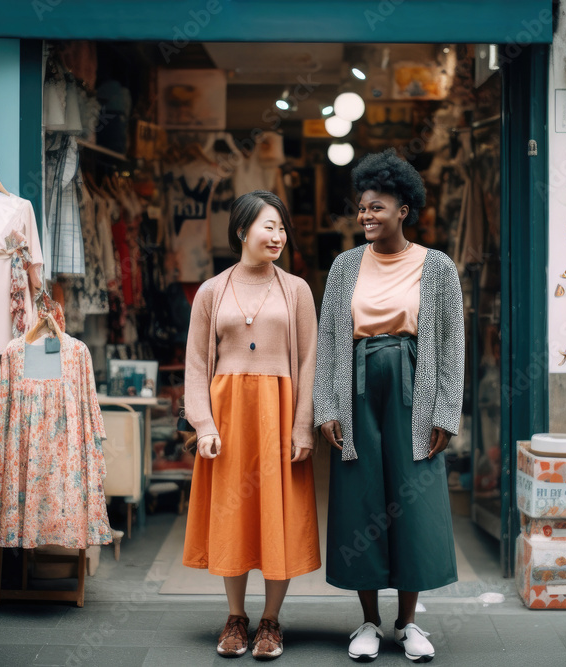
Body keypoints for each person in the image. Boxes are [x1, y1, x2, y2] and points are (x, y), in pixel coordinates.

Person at [314, 150, 464, 663]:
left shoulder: (437, 266)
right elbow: (330, 336)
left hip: (413, 388)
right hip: (354, 389)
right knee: (361, 499)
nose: (366, 217)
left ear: (404, 209)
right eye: (361, 209)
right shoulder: (344, 266)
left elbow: (452, 343)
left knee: (412, 498)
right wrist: (326, 404)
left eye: (376, 208)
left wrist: (447, 410)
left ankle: (408, 623)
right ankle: (368, 622)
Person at [183, 190, 321, 660]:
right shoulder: (211, 291)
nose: (278, 235)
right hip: (229, 417)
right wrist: (203, 424)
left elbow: (310, 363)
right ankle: (236, 617)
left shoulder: (297, 289)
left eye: (282, 228)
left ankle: (271, 622)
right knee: (234, 514)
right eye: (269, 226)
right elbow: (197, 363)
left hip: (280, 413)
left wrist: (304, 427)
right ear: (242, 231)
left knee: (278, 514)